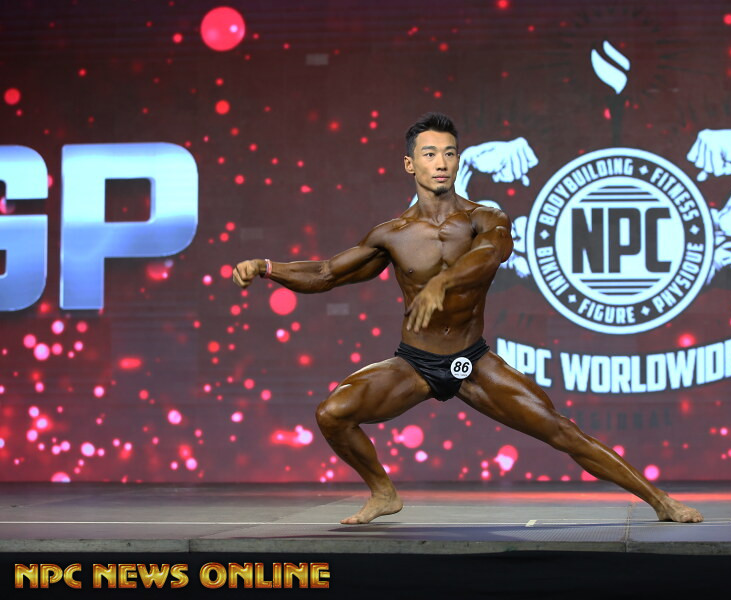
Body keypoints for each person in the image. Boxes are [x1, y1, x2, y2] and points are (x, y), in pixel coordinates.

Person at [232, 112, 703, 525]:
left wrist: (444, 282)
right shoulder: (391, 234)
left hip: (471, 362)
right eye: (430, 154)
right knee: (332, 414)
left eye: (450, 153)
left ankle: (660, 501)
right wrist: (269, 268)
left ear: (458, 161)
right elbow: (326, 273)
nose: (441, 162)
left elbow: (490, 254)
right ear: (410, 165)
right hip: (415, 364)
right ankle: (383, 492)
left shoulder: (485, 218)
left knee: (561, 430)